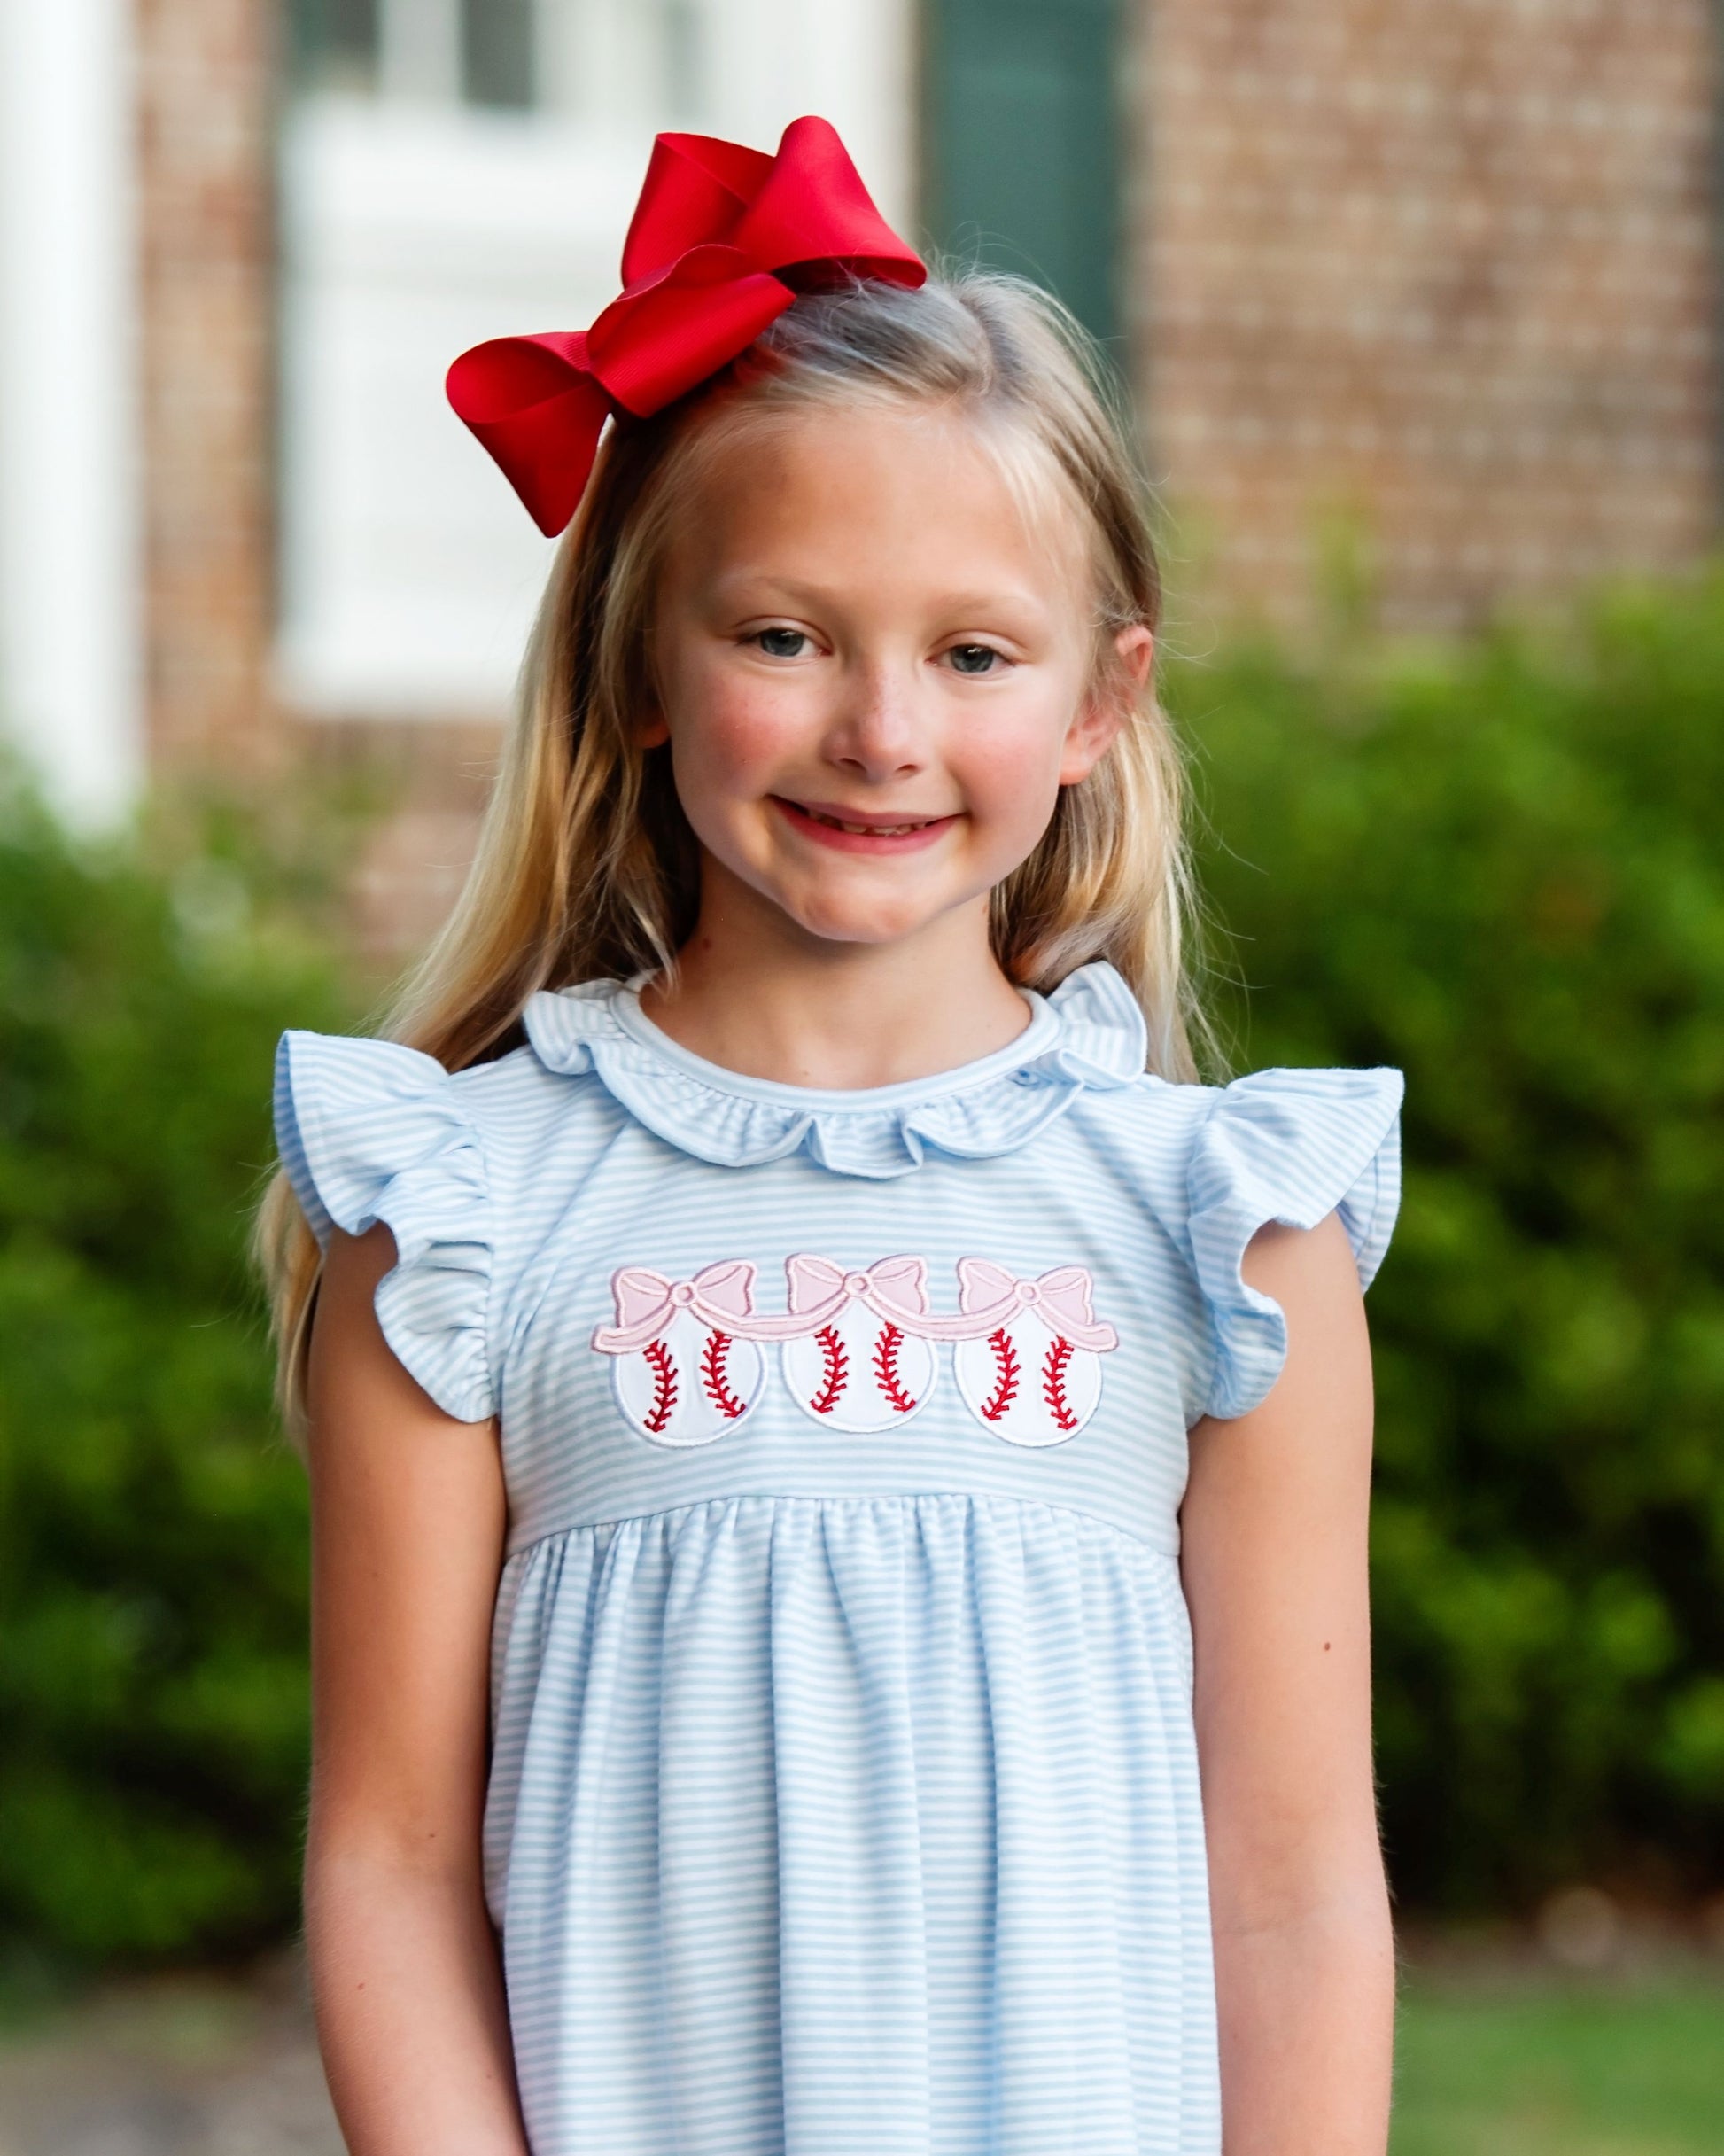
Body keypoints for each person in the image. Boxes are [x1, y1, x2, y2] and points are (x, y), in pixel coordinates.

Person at [258, 115, 1401, 2156]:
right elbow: (391, 1860)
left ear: (1094, 701)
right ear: (639, 666)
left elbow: (1297, 1884)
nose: (881, 727)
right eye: (785, 637)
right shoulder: (455, 1222)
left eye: (971, 652)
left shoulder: (1222, 1233)